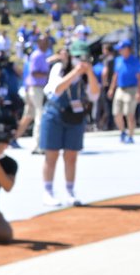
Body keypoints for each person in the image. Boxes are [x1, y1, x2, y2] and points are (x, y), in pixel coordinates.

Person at [36, 40, 98, 206]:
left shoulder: (87, 73)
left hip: (75, 116)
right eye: (78, 57)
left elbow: (94, 95)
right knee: (52, 155)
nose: (81, 60)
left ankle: (70, 191)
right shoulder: (60, 68)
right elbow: (57, 89)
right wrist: (75, 73)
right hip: (54, 113)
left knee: (71, 156)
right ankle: (48, 191)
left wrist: (89, 73)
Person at [109, 40, 140, 143]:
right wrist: (112, 88)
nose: (119, 51)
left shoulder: (135, 61)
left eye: (122, 49)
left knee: (129, 114)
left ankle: (131, 135)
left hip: (132, 89)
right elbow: (116, 75)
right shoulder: (118, 60)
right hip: (120, 88)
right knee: (116, 113)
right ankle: (122, 131)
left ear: (128, 49)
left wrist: (139, 92)